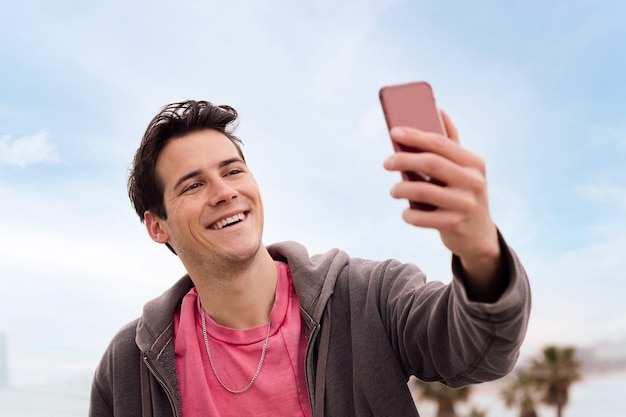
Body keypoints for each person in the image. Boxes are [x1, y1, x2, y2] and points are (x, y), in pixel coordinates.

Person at [89, 100, 530, 417]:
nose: (225, 192)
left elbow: (482, 351)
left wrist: (480, 250)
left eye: (233, 170)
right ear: (157, 226)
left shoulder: (369, 297)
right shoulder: (128, 364)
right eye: (193, 185)